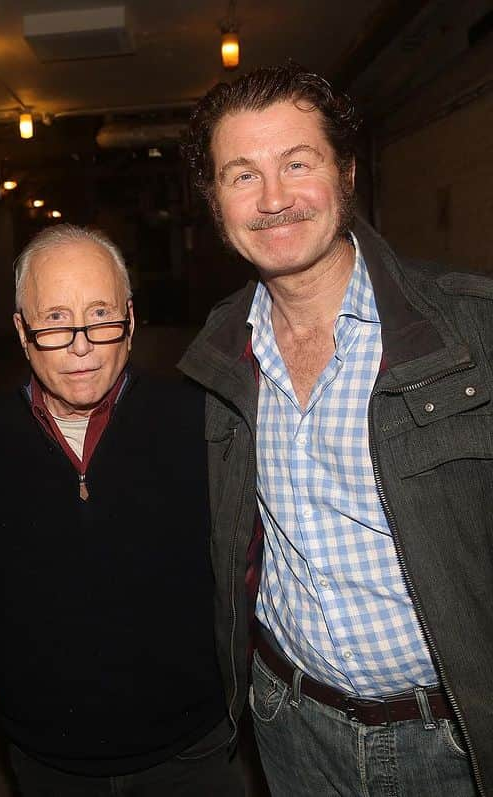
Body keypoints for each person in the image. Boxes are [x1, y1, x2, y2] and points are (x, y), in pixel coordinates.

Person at [179, 62, 493, 796]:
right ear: (214, 201)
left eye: (298, 162)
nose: (275, 199)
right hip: (290, 723)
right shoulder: (220, 351)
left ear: (346, 173)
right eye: (242, 174)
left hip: (452, 739)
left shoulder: (472, 328)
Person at [0, 224, 242, 797]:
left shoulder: (203, 423)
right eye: (56, 319)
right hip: (46, 759)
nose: (82, 343)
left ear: (130, 322)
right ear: (22, 331)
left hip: (190, 750)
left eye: (101, 315)